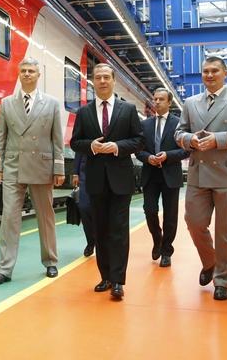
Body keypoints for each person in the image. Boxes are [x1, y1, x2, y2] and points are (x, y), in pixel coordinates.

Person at [175, 56, 227, 301]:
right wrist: (190, 139)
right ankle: (210, 261)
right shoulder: (191, 102)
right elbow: (179, 132)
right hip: (198, 173)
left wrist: (218, 140)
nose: (209, 75)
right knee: (194, 222)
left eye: (214, 71)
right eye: (205, 71)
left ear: (225, 74)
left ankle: (222, 281)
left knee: (226, 232)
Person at [70, 63, 144, 300]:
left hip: (120, 180)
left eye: (106, 77)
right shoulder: (84, 112)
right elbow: (75, 142)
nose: (102, 81)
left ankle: (118, 280)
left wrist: (117, 147)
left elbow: (139, 140)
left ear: (113, 81)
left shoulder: (128, 109)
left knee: (119, 230)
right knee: (100, 230)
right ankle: (106, 277)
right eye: (98, 77)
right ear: (93, 82)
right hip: (95, 181)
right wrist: (91, 146)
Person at [0, 57, 65, 285]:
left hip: (42, 166)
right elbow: (0, 138)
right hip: (13, 166)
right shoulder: (6, 104)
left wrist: (59, 169)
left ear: (38, 75)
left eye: (31, 71)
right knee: (9, 218)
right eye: (23, 71)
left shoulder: (51, 104)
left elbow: (57, 140)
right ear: (19, 74)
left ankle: (50, 261)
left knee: (45, 216)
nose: (27, 74)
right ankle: (4, 269)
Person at [136, 88, 189, 268]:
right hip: (150, 175)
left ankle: (166, 251)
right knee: (149, 210)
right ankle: (157, 238)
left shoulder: (179, 124)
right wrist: (148, 158)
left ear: (169, 102)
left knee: (170, 216)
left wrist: (167, 155)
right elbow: (138, 150)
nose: (157, 102)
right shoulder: (145, 125)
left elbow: (186, 150)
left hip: (170, 175)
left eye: (161, 99)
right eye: (155, 99)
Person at [73, 152, 95, 257]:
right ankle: (90, 242)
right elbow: (79, 149)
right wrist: (75, 172)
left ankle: (101, 242)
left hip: (104, 170)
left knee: (101, 211)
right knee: (84, 207)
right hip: (84, 171)